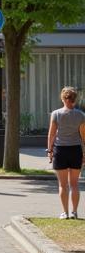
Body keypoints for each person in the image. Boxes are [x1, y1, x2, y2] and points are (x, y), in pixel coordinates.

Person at [47, 87, 85, 218]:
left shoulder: (56, 114)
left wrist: (50, 150)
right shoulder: (81, 115)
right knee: (74, 184)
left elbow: (51, 134)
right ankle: (74, 212)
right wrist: (84, 154)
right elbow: (83, 137)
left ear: (63, 98)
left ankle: (65, 212)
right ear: (75, 99)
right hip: (75, 150)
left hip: (60, 150)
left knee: (63, 185)